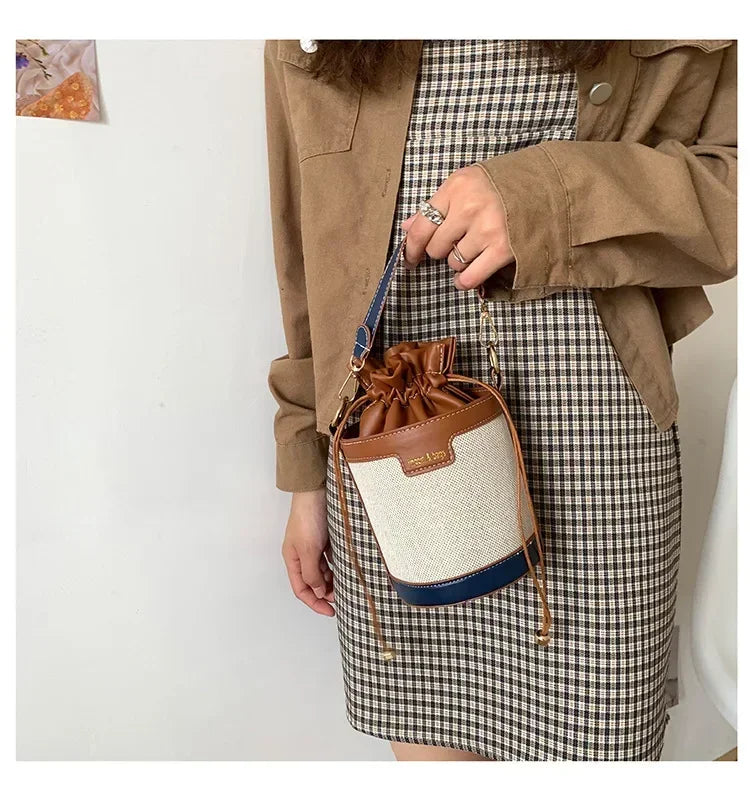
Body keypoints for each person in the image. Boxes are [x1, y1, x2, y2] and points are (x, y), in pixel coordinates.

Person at [263, 39, 736, 761]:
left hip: (595, 454)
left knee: (597, 743)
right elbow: (305, 256)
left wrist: (547, 200)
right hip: (390, 452)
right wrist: (306, 471)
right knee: (431, 745)